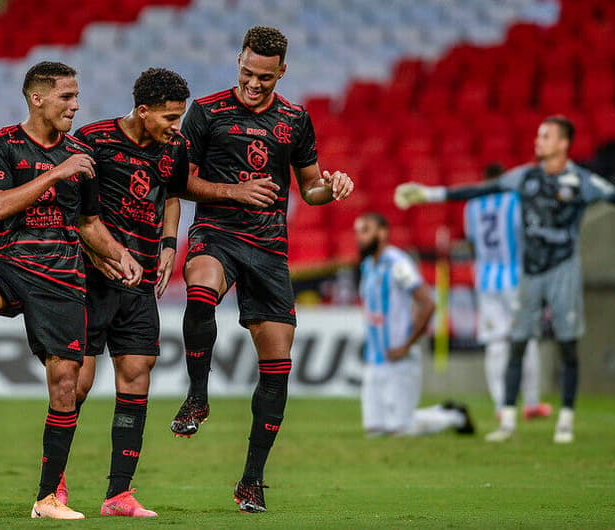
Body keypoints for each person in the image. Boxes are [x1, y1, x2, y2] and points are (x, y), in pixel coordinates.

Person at [395, 115, 615, 444]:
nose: (538, 141)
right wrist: (429, 194)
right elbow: (480, 189)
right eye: (538, 135)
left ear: (563, 143)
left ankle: (566, 419)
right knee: (517, 342)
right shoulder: (525, 177)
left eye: (545, 136)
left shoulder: (582, 181)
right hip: (529, 273)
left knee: (567, 345)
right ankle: (507, 420)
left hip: (564, 271)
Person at [0, 61, 142, 519]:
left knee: (65, 388)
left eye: (76, 96)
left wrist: (118, 254)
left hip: (62, 281)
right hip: (13, 266)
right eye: (66, 97)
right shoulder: (3, 145)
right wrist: (56, 174)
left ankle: (47, 498)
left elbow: (88, 224)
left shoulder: (80, 155)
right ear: (37, 98)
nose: (75, 105)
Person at [170, 26, 353, 512]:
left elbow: (309, 188)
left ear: (282, 72)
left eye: (266, 77)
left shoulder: (295, 119)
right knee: (200, 291)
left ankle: (251, 480)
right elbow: (181, 180)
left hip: (270, 248)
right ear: (239, 62)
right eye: (248, 73)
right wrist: (234, 192)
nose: (255, 84)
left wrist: (329, 188)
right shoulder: (206, 112)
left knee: (277, 367)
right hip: (218, 233)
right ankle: (197, 396)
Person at [61, 67, 190, 517]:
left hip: (141, 279)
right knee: (75, 383)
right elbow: (68, 207)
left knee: (137, 374)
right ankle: (54, 485)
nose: (177, 126)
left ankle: (118, 494)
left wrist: (171, 243)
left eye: (181, 117)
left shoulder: (174, 147)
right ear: (142, 110)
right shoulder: (93, 140)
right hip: (89, 278)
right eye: (170, 117)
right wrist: (93, 253)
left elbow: (173, 195)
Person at [354, 212, 474, 437]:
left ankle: (454, 416)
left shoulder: (398, 264)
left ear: (382, 233)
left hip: (400, 358)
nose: (359, 237)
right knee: (374, 431)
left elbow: (427, 303)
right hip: (375, 359)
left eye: (365, 230)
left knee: (400, 429)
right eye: (357, 232)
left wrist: (407, 345)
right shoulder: (367, 265)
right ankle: (441, 410)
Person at [464, 163, 551, 418]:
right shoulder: (514, 200)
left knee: (495, 343)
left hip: (486, 281)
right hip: (515, 279)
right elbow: (528, 237)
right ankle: (531, 403)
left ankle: (501, 405)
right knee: (525, 337)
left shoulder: (472, 206)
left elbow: (471, 243)